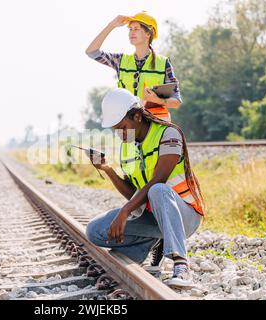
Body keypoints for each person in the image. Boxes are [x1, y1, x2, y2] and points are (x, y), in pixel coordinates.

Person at [85, 88, 205, 288]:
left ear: (137, 116)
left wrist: (125, 211)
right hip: (155, 217)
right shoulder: (129, 146)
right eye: (116, 129)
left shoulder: (168, 134)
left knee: (157, 189)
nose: (120, 134)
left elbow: (159, 179)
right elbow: (134, 193)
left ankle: (181, 265)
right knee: (95, 230)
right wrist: (107, 169)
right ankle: (148, 246)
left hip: (186, 217)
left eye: (123, 127)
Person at [86, 11, 182, 122]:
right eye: (130, 29)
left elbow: (176, 102)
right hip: (129, 126)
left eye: (136, 29)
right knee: (128, 139)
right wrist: (111, 25)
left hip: (155, 127)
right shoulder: (121, 61)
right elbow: (91, 52)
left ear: (148, 34)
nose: (131, 32)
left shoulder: (163, 64)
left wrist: (157, 100)